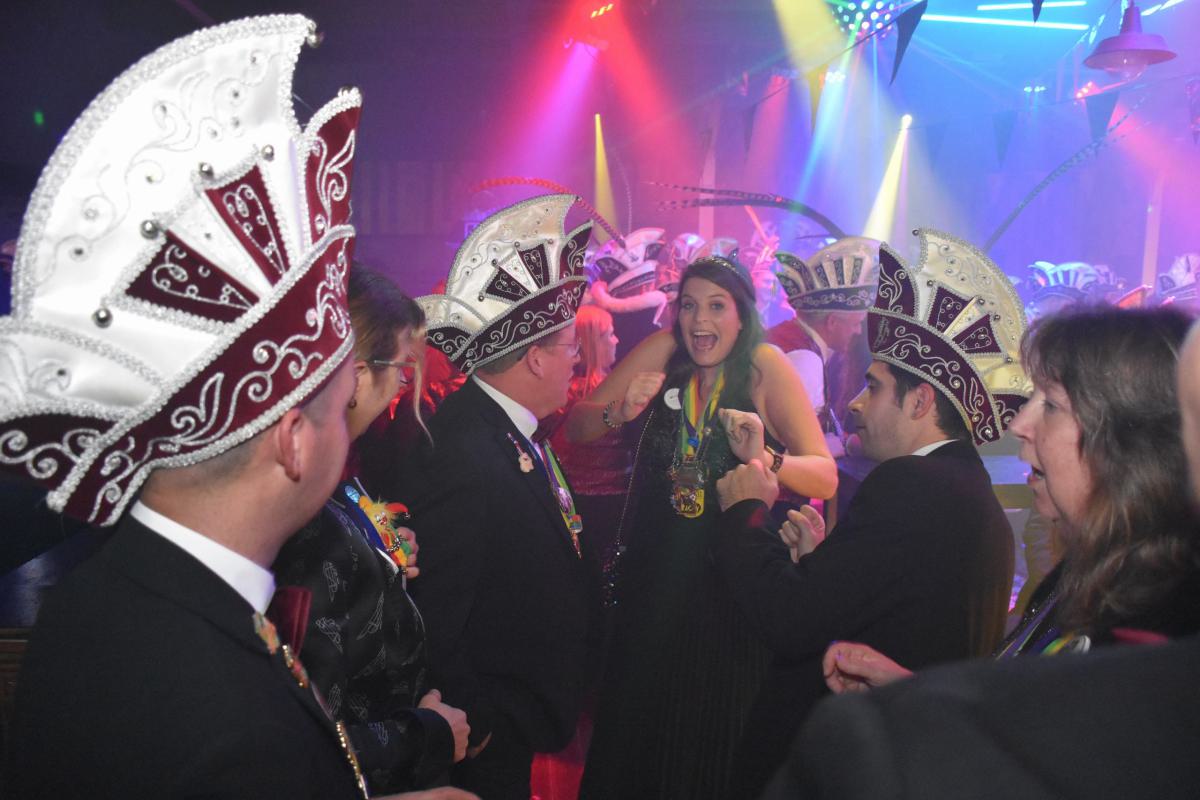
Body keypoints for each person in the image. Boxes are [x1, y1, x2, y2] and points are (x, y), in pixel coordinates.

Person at [2, 16, 419, 798]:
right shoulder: (240, 731)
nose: (352, 424)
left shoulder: (98, 597)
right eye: (338, 407)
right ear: (293, 440)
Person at [781, 307, 1200, 800]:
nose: (1020, 423)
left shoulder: (1166, 616)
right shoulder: (1085, 573)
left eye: (1051, 404)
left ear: (1128, 439)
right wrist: (913, 689)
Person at [712, 229, 1028, 797]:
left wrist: (747, 510)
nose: (856, 404)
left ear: (920, 401)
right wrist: (821, 562)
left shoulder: (912, 484)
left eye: (874, 388)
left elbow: (790, 622)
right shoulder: (967, 490)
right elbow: (882, 605)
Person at [571, 254, 837, 800]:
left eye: (717, 306)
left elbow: (825, 475)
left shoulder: (764, 365)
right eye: (689, 306)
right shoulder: (663, 351)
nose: (700, 321)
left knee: (706, 742)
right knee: (632, 738)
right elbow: (578, 425)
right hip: (652, 583)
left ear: (742, 316)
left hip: (729, 592)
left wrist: (766, 456)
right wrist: (620, 410)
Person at [401, 194, 599, 800]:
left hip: (519, 717)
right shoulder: (465, 448)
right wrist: (479, 722)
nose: (576, 363)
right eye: (570, 348)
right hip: (485, 734)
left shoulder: (510, 428)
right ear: (535, 358)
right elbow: (434, 604)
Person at [271, 264, 470, 794]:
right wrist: (425, 734)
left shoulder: (333, 477)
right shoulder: (305, 516)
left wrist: (382, 549)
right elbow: (307, 737)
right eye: (401, 370)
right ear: (357, 376)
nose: (403, 388)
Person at [769, 237, 878, 456]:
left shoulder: (785, 336)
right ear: (832, 322)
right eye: (855, 323)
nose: (858, 331)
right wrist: (834, 447)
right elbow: (796, 452)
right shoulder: (805, 359)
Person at [544, 304, 628, 576]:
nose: (616, 340)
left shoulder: (568, 390)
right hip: (591, 504)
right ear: (592, 342)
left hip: (593, 501)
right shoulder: (575, 393)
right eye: (609, 334)